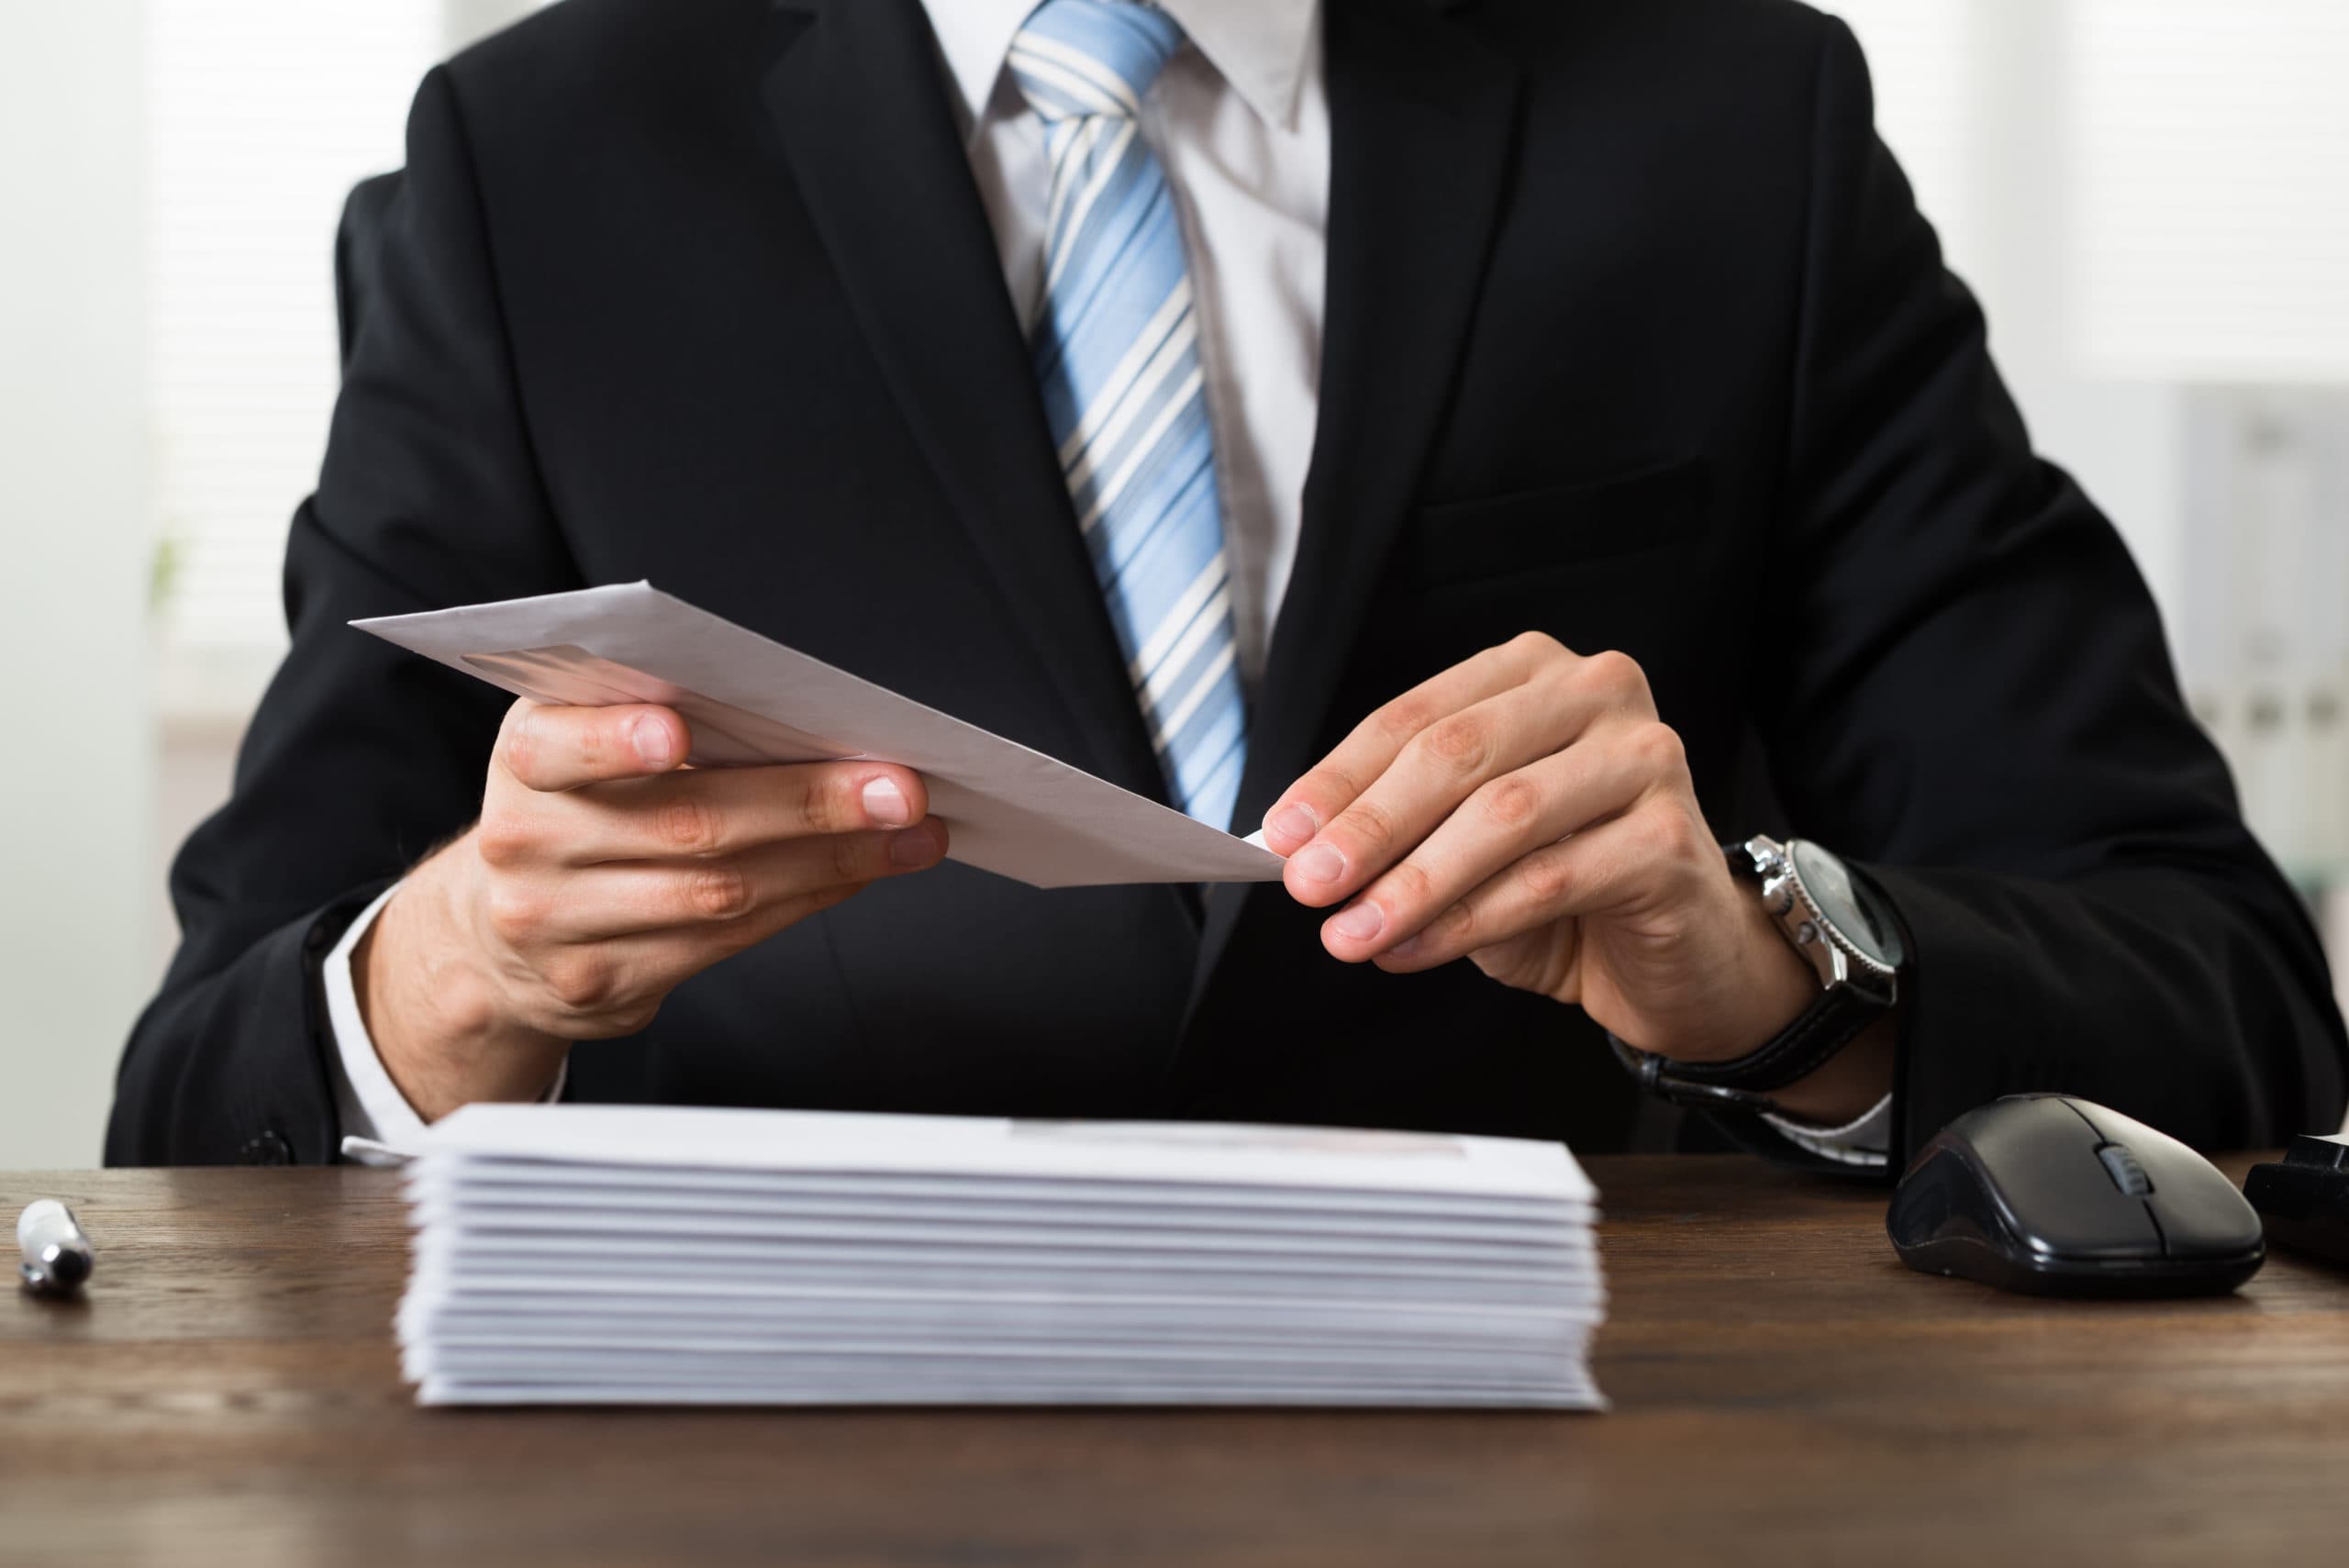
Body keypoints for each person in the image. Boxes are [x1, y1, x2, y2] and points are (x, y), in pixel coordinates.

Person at [108, 0, 2345, 1172]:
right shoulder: (537, 168)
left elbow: (2215, 985)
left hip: (1598, 1479)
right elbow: (201, 1101)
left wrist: (1771, 964)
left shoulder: (1729, 128)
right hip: (751, 1462)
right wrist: (461, 972)